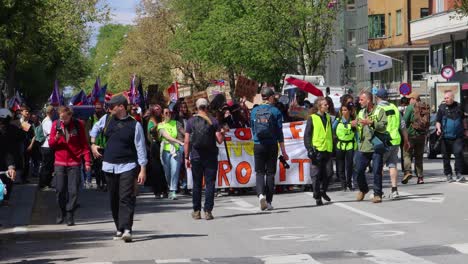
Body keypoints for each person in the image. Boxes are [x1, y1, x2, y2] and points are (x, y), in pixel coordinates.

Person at [90, 94, 147, 242]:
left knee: (125, 197)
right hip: (109, 166)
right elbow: (94, 129)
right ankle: (119, 228)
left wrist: (142, 169)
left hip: (128, 166)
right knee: (114, 199)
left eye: (111, 106)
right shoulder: (107, 119)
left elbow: (141, 148)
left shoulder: (135, 125)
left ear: (121, 107)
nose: (109, 109)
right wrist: (93, 144)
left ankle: (127, 229)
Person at [49, 106, 91, 226]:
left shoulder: (78, 125)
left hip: (74, 162)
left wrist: (87, 161)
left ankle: (70, 213)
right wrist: (56, 137)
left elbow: (84, 144)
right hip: (60, 162)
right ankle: (61, 211)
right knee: (60, 189)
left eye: (65, 118)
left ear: (70, 116)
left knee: (73, 191)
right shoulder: (56, 125)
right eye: (61, 118)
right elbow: (51, 144)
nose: (63, 121)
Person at [184, 98, 225, 220]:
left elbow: (186, 141)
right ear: (207, 107)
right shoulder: (213, 121)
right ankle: (208, 211)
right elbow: (219, 140)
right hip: (211, 156)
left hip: (196, 156)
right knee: (210, 183)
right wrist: (223, 132)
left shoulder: (191, 122)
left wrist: (186, 157)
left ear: (197, 108)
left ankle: (196, 211)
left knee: (197, 184)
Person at [251, 87, 289, 211]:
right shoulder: (275, 111)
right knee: (271, 173)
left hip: (258, 144)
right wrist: (283, 151)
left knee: (260, 172)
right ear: (271, 97)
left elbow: (252, 128)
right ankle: (269, 201)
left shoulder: (254, 111)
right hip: (272, 145)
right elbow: (280, 133)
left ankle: (260, 194)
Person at [375, 89, 410, 199]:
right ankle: (394, 190)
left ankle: (378, 191)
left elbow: (374, 124)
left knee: (379, 166)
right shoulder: (394, 108)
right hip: (395, 140)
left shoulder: (378, 109)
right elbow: (403, 125)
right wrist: (406, 140)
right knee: (392, 165)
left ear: (377, 98)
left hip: (383, 141)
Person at [354, 91, 387, 203]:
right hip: (363, 145)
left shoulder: (379, 110)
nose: (359, 102)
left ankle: (378, 194)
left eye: (361, 100)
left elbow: (383, 125)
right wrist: (354, 124)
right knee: (358, 170)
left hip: (376, 145)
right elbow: (359, 125)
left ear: (368, 100)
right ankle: (363, 189)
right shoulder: (361, 112)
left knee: (377, 170)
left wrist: (371, 123)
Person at [304, 97, 334, 205]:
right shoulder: (312, 118)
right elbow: (307, 135)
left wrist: (333, 147)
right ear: (319, 106)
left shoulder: (328, 117)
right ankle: (317, 196)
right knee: (316, 175)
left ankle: (322, 191)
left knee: (329, 173)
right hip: (317, 150)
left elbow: (329, 133)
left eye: (327, 104)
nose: (327, 106)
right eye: (325, 105)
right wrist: (309, 149)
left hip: (327, 149)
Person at [436, 90, 466, 182]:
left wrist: (465, 130)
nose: (446, 100)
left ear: (452, 97)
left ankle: (458, 174)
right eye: (444, 98)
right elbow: (438, 121)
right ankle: (448, 174)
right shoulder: (441, 108)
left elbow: (464, 119)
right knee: (446, 157)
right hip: (445, 137)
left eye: (447, 98)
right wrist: (439, 129)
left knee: (458, 154)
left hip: (457, 136)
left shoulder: (459, 106)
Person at [158, 107, 185, 200]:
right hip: (165, 150)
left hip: (176, 150)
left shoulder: (176, 123)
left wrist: (188, 137)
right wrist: (179, 141)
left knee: (175, 170)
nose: (168, 114)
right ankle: (170, 187)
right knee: (167, 172)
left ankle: (173, 191)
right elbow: (167, 136)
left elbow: (184, 132)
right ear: (162, 115)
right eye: (166, 113)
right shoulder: (160, 125)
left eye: (169, 113)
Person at [402, 92, 428, 184]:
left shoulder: (410, 107)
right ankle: (420, 177)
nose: (409, 100)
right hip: (421, 136)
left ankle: (408, 172)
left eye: (410, 99)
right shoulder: (424, 107)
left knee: (407, 154)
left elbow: (404, 121)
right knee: (419, 157)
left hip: (410, 136)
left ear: (413, 99)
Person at [333, 103, 357, 191]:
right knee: (340, 166)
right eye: (342, 110)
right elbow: (332, 128)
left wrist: (358, 144)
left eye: (345, 110)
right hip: (340, 145)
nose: (343, 112)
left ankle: (349, 183)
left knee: (350, 166)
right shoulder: (338, 120)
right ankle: (343, 184)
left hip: (350, 146)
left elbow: (357, 134)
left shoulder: (353, 120)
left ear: (350, 111)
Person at [146, 104, 167, 198]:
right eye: (156, 109)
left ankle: (165, 190)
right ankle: (157, 191)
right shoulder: (151, 121)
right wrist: (157, 126)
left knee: (164, 168)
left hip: (165, 144)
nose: (158, 111)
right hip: (155, 146)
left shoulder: (163, 119)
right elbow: (151, 130)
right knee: (156, 168)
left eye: (159, 109)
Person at [0, 108, 20, 206]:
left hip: (9, 159)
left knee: (8, 179)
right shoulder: (14, 128)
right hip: (10, 159)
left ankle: (5, 199)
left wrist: (11, 165)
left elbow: (10, 149)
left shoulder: (13, 129)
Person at [89, 102, 107, 191]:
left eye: (99, 108)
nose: (98, 110)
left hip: (105, 145)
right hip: (95, 145)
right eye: (96, 108)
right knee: (97, 166)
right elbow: (88, 131)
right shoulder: (91, 118)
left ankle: (104, 183)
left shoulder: (106, 118)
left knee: (104, 165)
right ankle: (98, 183)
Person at [38, 106, 55, 190]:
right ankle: (43, 184)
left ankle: (46, 183)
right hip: (47, 146)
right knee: (46, 166)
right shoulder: (48, 121)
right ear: (51, 112)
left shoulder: (46, 120)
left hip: (47, 146)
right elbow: (50, 134)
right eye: (53, 111)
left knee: (48, 166)